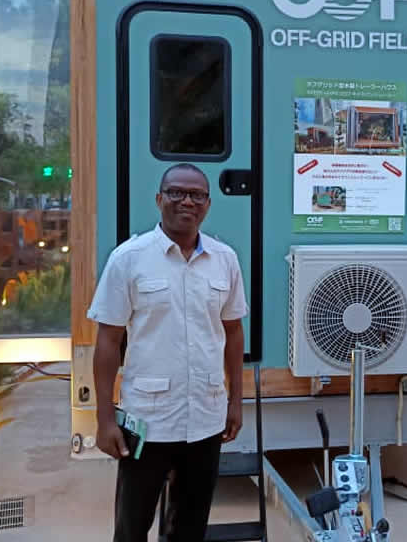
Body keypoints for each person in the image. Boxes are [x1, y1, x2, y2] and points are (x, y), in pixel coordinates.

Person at [89, 163, 248, 542]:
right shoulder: (129, 258)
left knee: (190, 527)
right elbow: (108, 340)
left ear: (208, 204)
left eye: (196, 195)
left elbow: (233, 332)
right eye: (176, 192)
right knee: (132, 526)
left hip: (206, 418)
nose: (186, 201)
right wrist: (104, 418)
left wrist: (235, 401)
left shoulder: (225, 259)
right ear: (159, 199)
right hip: (148, 421)